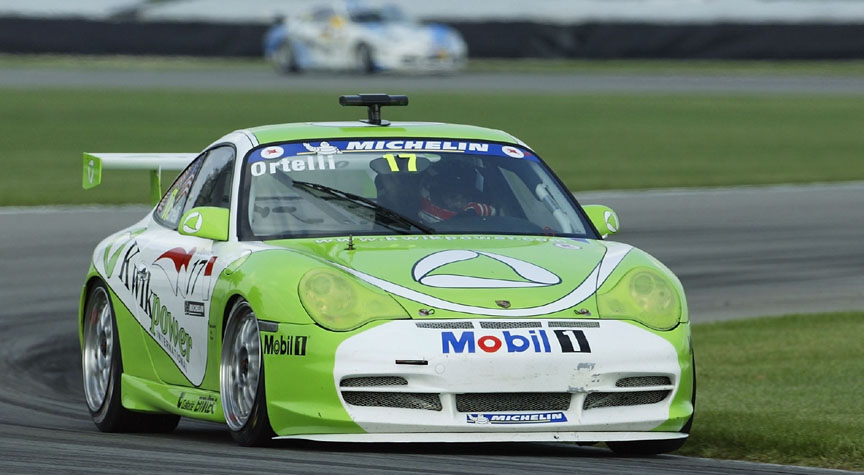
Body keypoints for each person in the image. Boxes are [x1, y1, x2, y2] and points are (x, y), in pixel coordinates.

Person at [418, 162, 496, 223]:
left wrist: (472, 211)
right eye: (453, 197)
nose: (459, 202)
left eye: (465, 197)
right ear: (438, 196)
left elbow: (493, 211)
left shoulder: (474, 210)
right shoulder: (427, 215)